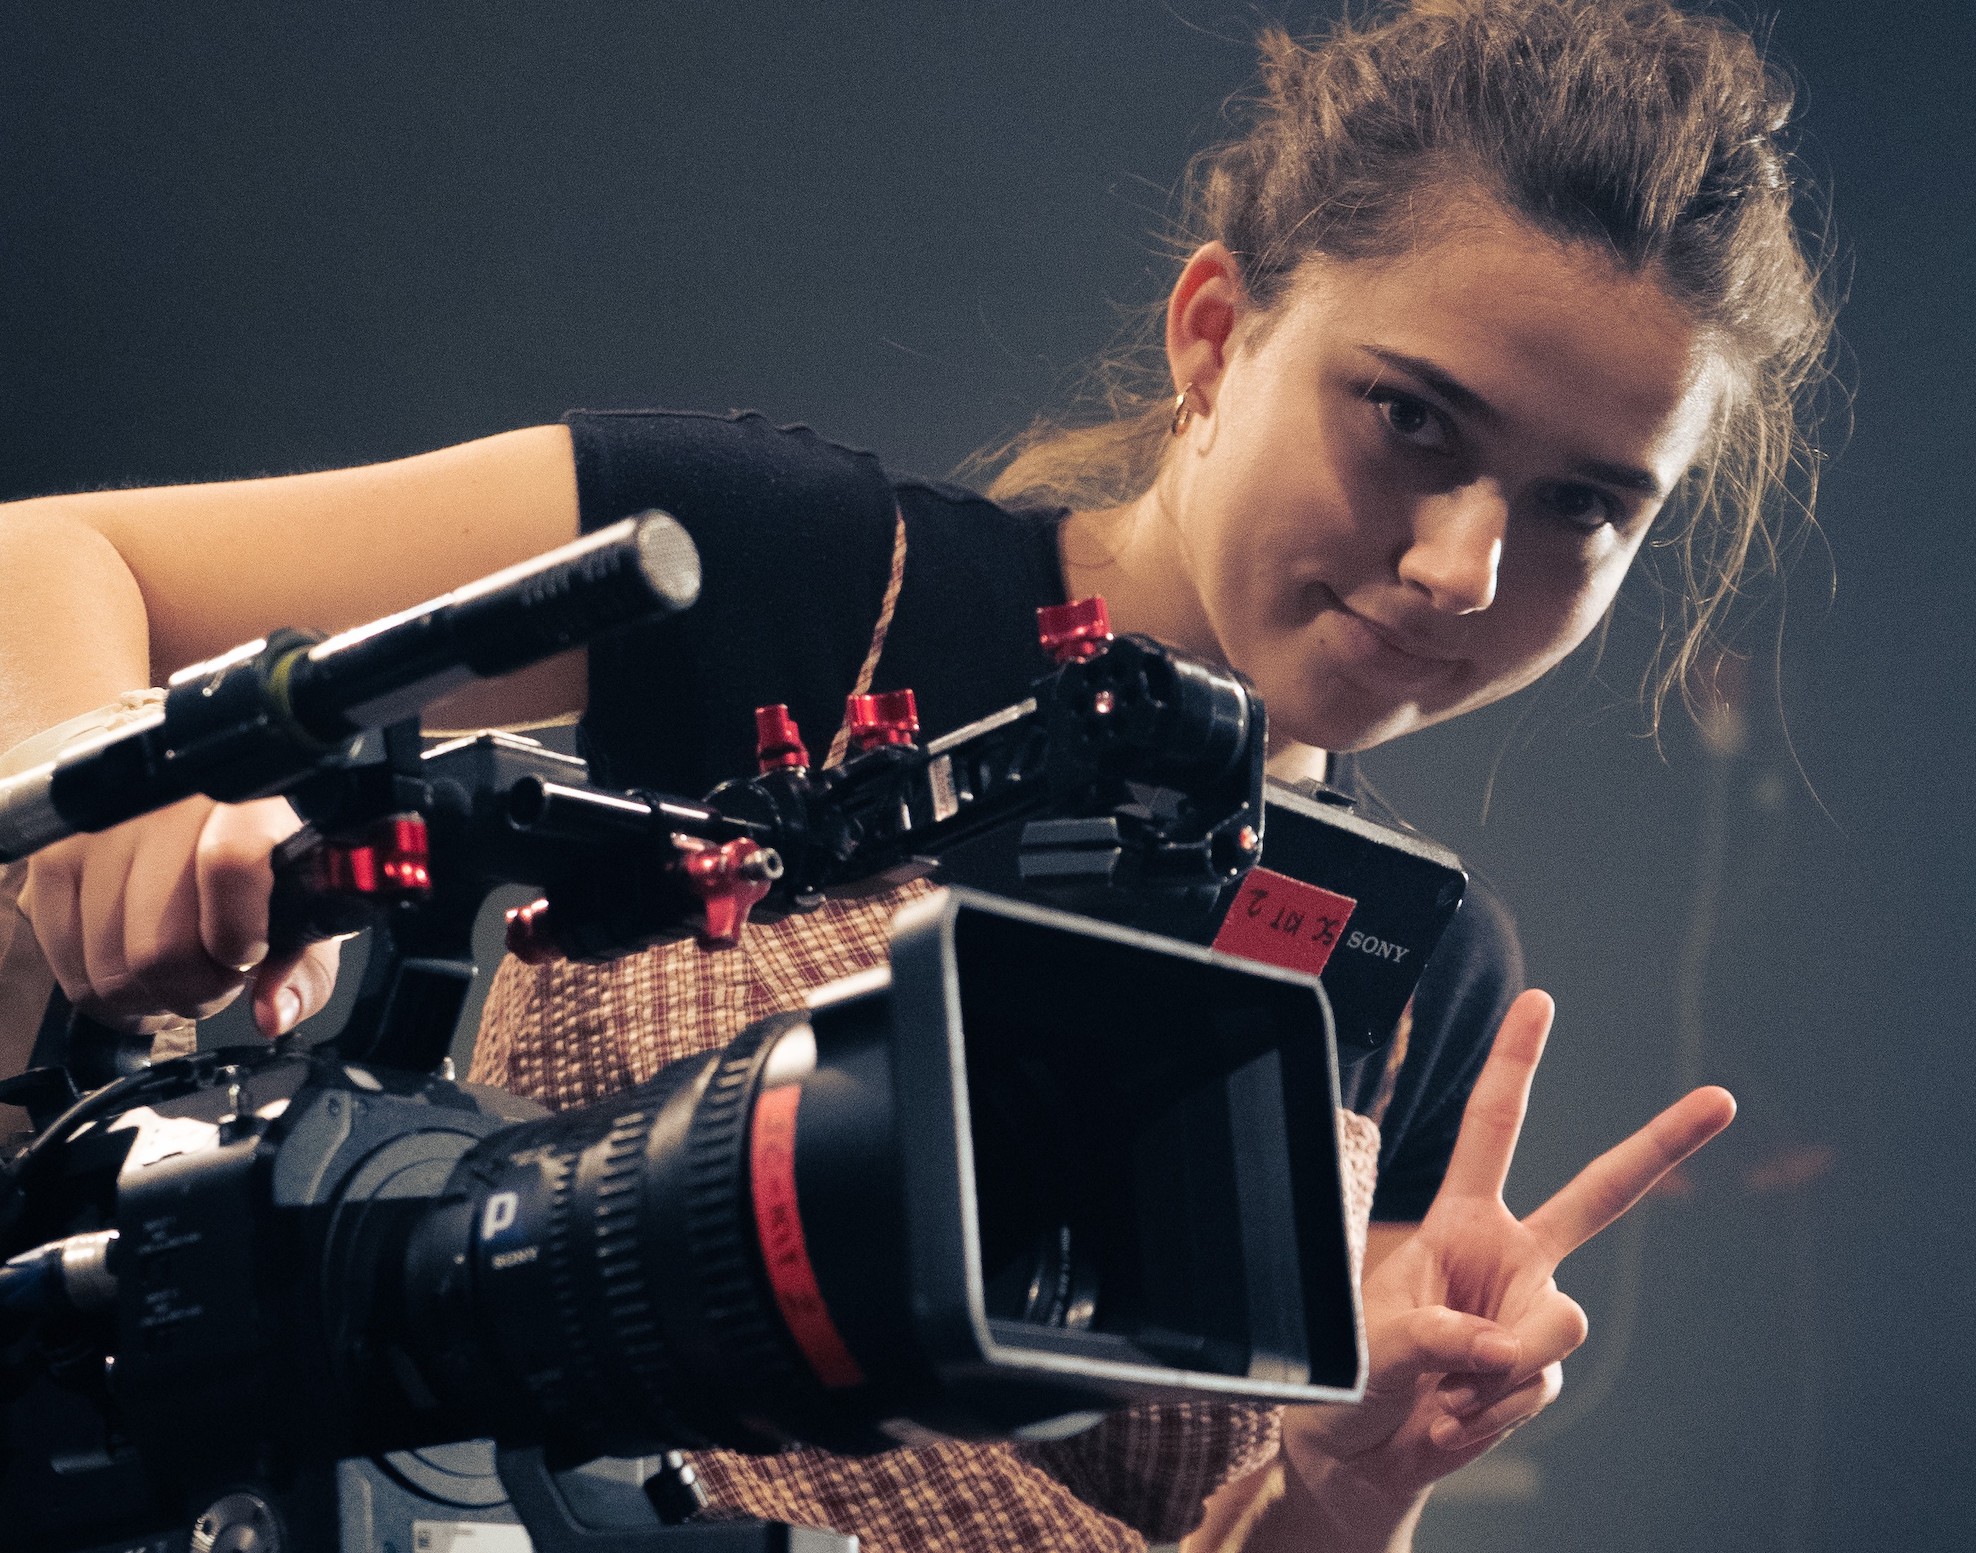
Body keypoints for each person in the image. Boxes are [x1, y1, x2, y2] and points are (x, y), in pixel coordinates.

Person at [0, 1, 1831, 1548]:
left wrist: (1349, 1490)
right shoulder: (801, 569)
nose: (1463, 567)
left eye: (1585, 506)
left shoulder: (1421, 967)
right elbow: (56, 559)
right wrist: (118, 778)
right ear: (1215, 337)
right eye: (1412, 418)